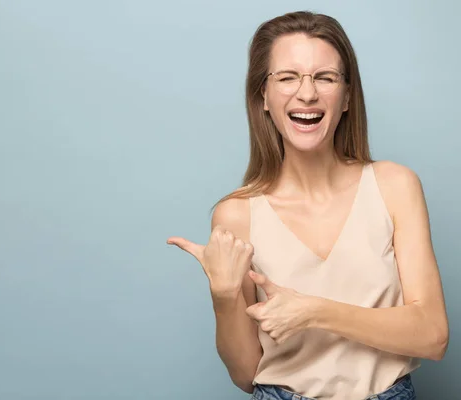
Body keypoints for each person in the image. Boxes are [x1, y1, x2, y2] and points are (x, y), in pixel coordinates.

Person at [167, 10, 449, 400]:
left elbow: (433, 336)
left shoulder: (395, 186)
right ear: (262, 96)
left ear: (347, 96)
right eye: (287, 77)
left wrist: (315, 311)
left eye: (325, 77)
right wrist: (224, 297)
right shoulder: (236, 214)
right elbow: (246, 374)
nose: (307, 93)